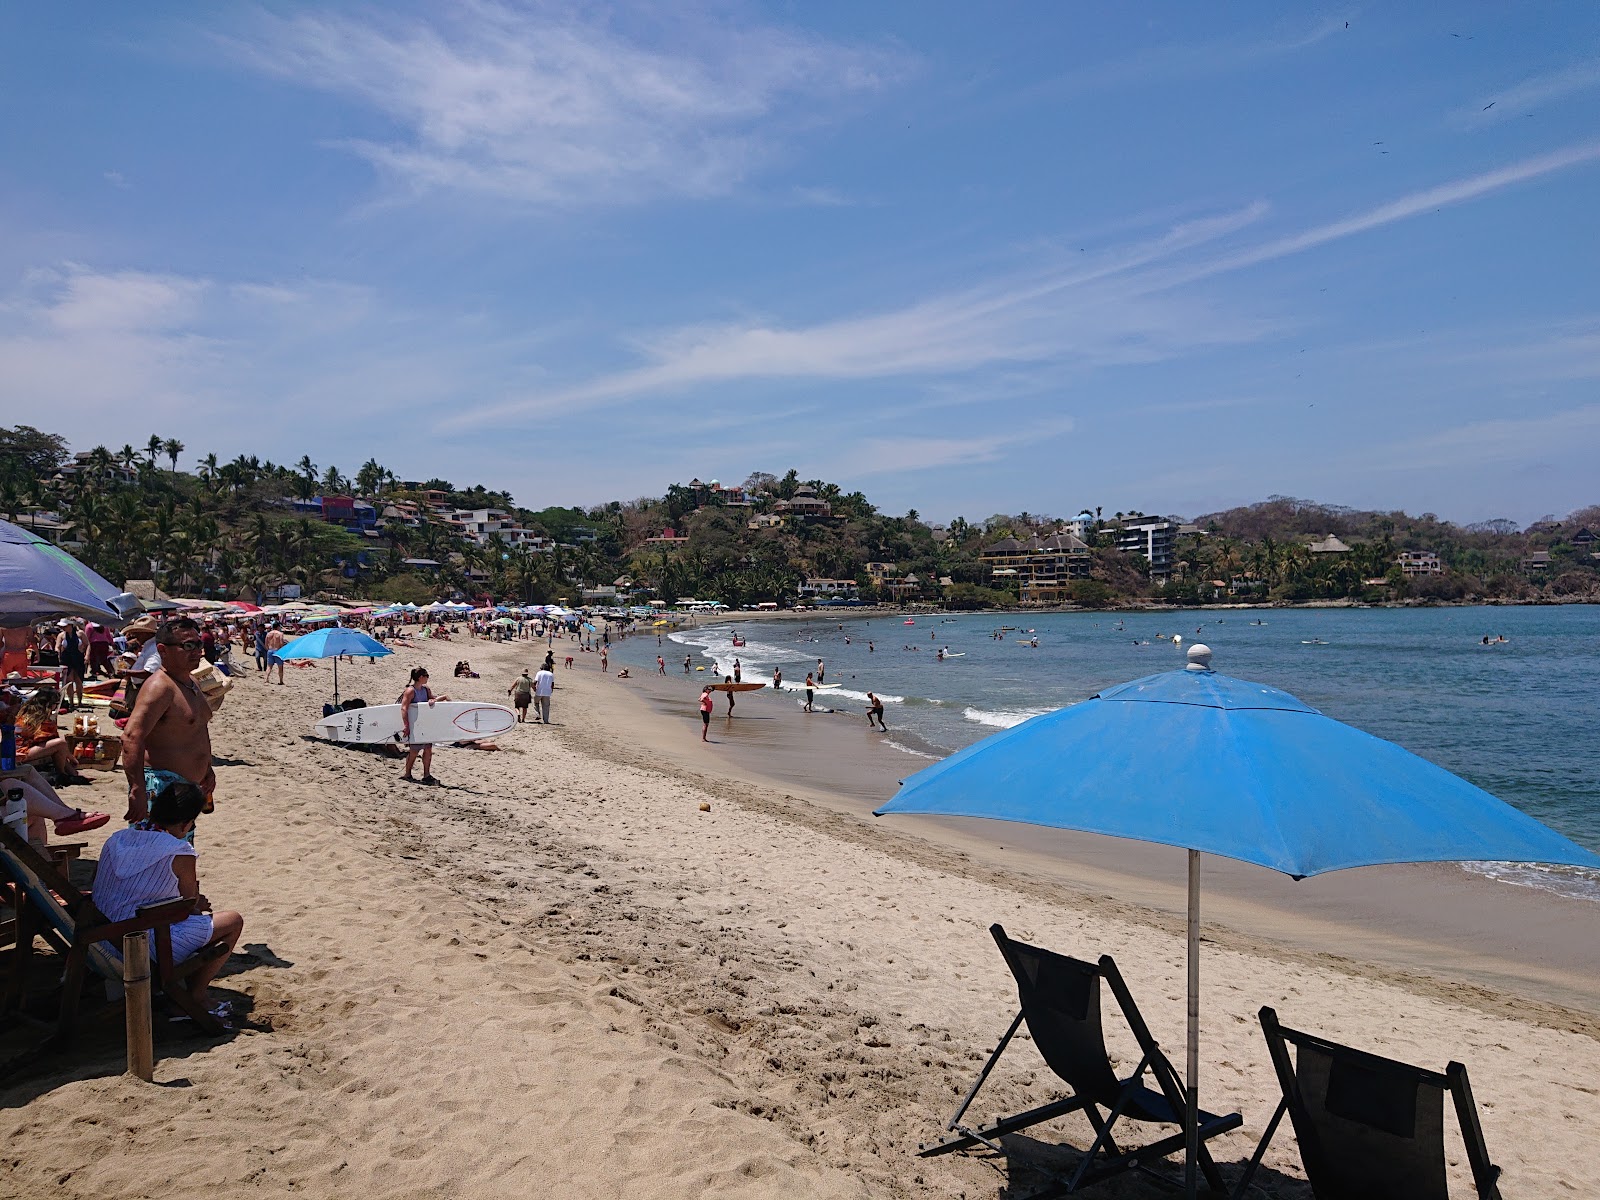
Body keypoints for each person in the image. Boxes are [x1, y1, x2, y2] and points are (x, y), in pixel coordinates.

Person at [94, 778, 243, 1019]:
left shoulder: (116, 839)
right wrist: (197, 903)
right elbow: (188, 908)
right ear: (186, 824)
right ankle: (195, 997)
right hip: (142, 947)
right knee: (233, 921)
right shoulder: (179, 852)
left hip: (99, 940)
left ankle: (185, 990)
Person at [121, 618, 215, 826]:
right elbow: (131, 737)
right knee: (154, 854)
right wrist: (137, 787)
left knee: (178, 854)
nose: (197, 651)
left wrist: (207, 769)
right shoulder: (159, 687)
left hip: (188, 789)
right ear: (163, 650)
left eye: (198, 644)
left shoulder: (192, 682)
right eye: (188, 646)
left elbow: (198, 729)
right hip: (161, 789)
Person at [399, 667, 449, 784]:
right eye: (427, 675)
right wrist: (406, 725)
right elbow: (404, 708)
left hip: (425, 725)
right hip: (414, 724)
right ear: (421, 677)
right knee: (414, 751)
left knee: (428, 749)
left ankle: (426, 775)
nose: (428, 678)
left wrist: (433, 700)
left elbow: (431, 699)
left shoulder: (425, 689)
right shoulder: (410, 691)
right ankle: (407, 774)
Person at [56, 620, 85, 710]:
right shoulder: (61, 635)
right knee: (69, 681)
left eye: (65, 626)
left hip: (78, 658)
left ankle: (80, 701)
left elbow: (87, 644)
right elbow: (57, 646)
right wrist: (57, 652)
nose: (63, 628)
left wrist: (87, 656)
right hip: (66, 659)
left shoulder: (80, 633)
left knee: (79, 680)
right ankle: (71, 702)